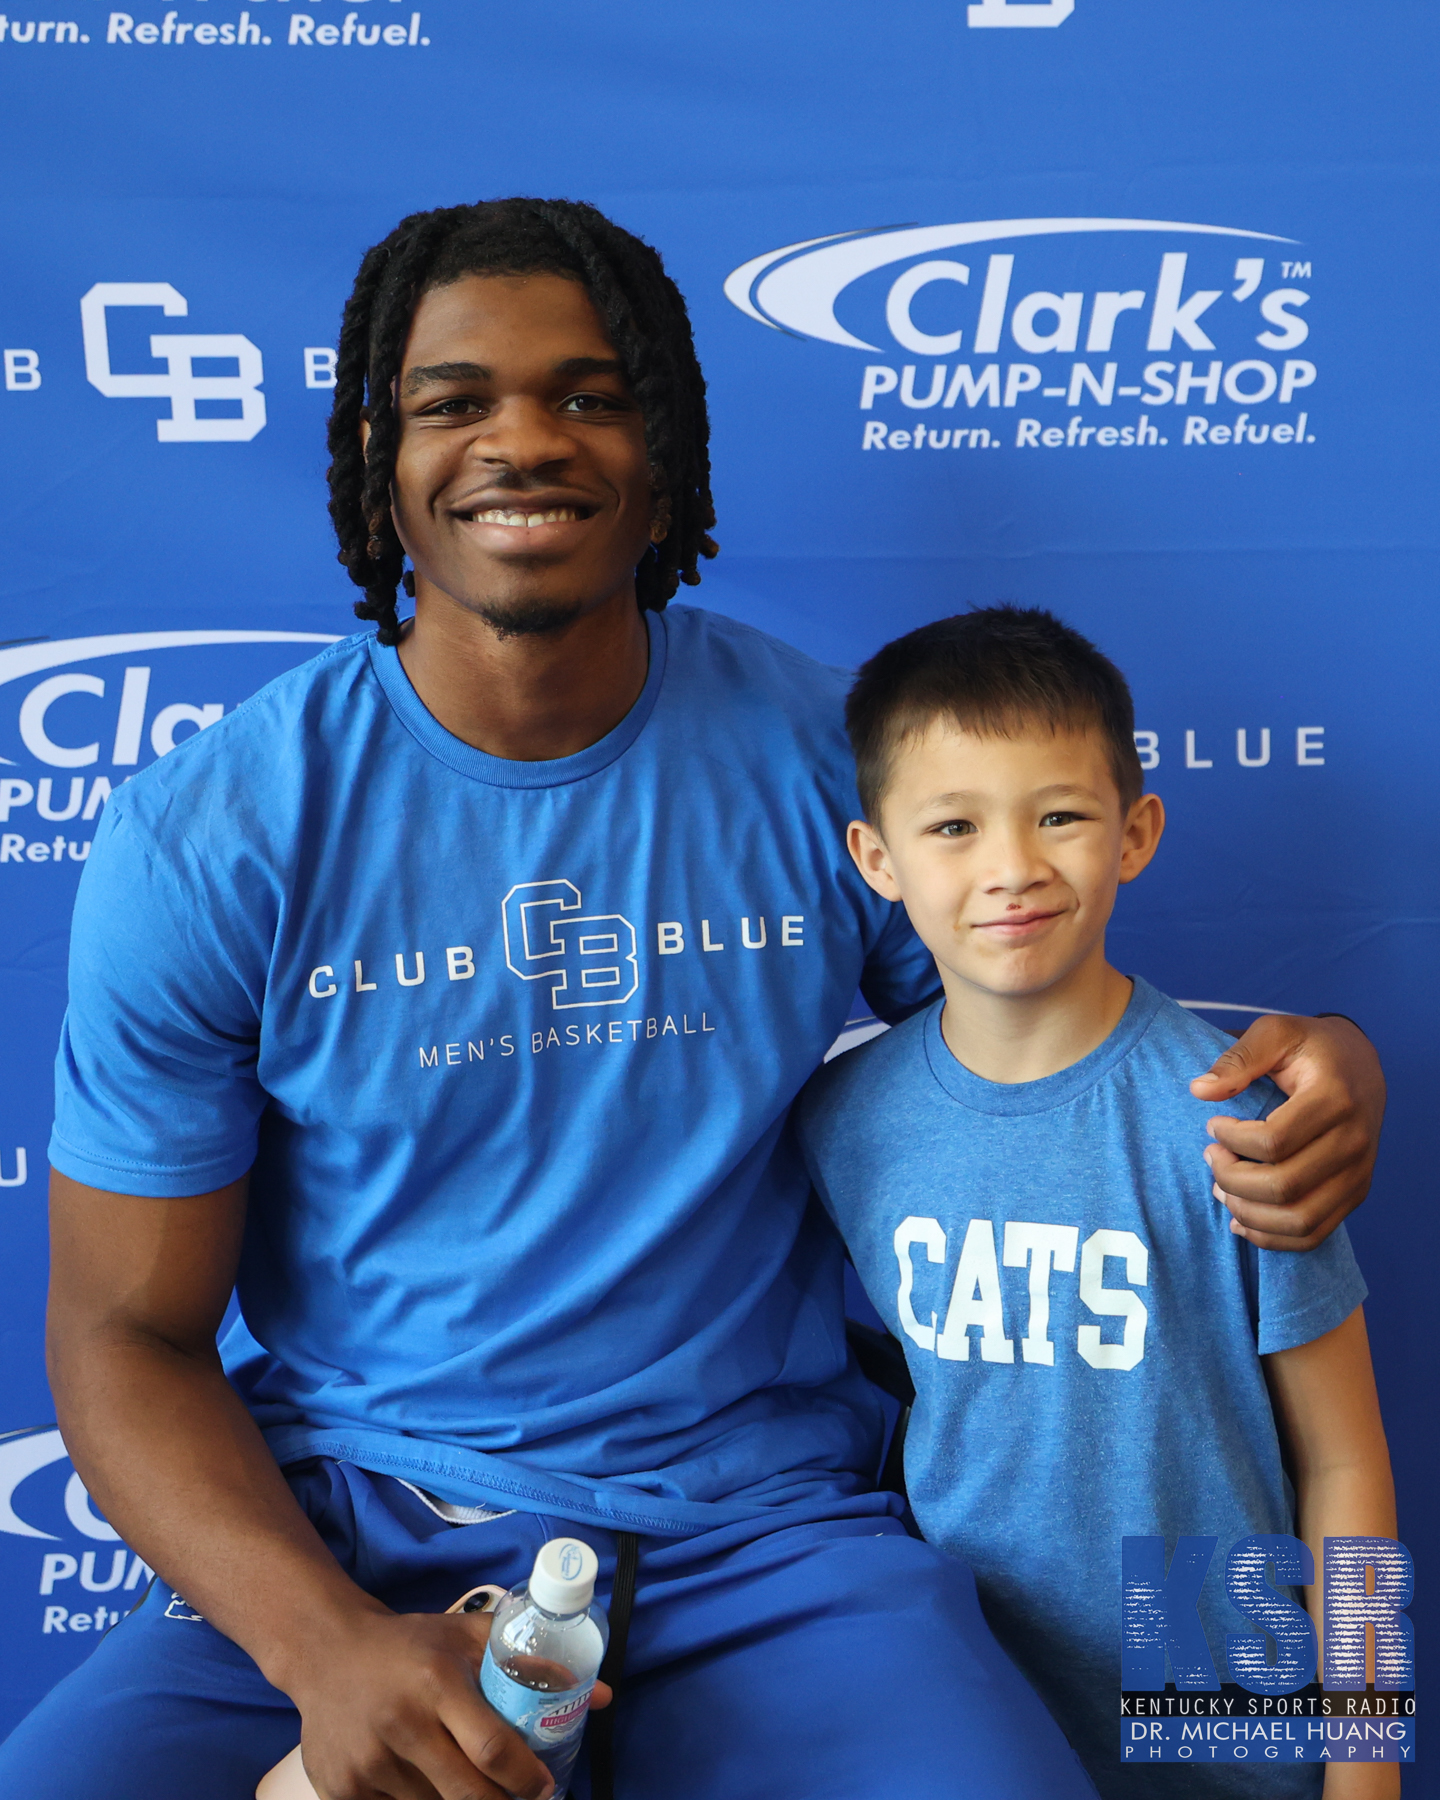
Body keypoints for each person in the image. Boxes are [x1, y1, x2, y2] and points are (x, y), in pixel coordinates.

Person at [0, 200, 1381, 1800]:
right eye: (457, 401)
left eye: (590, 396)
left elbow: (1068, 1038)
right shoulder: (216, 832)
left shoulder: (824, 763)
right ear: (381, 448)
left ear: (666, 447)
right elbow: (123, 1333)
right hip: (358, 1536)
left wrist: (1321, 1057)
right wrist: (320, 1647)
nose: (525, 441)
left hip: (765, 1539)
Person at [795, 606, 1397, 1799]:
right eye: (954, 827)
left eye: (1058, 815)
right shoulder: (838, 1119)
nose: (1012, 867)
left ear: (1135, 831)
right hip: (968, 1682)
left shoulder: (1236, 1121)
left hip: (1212, 1687)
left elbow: (1345, 1469)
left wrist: (1367, 1770)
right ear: (877, 859)